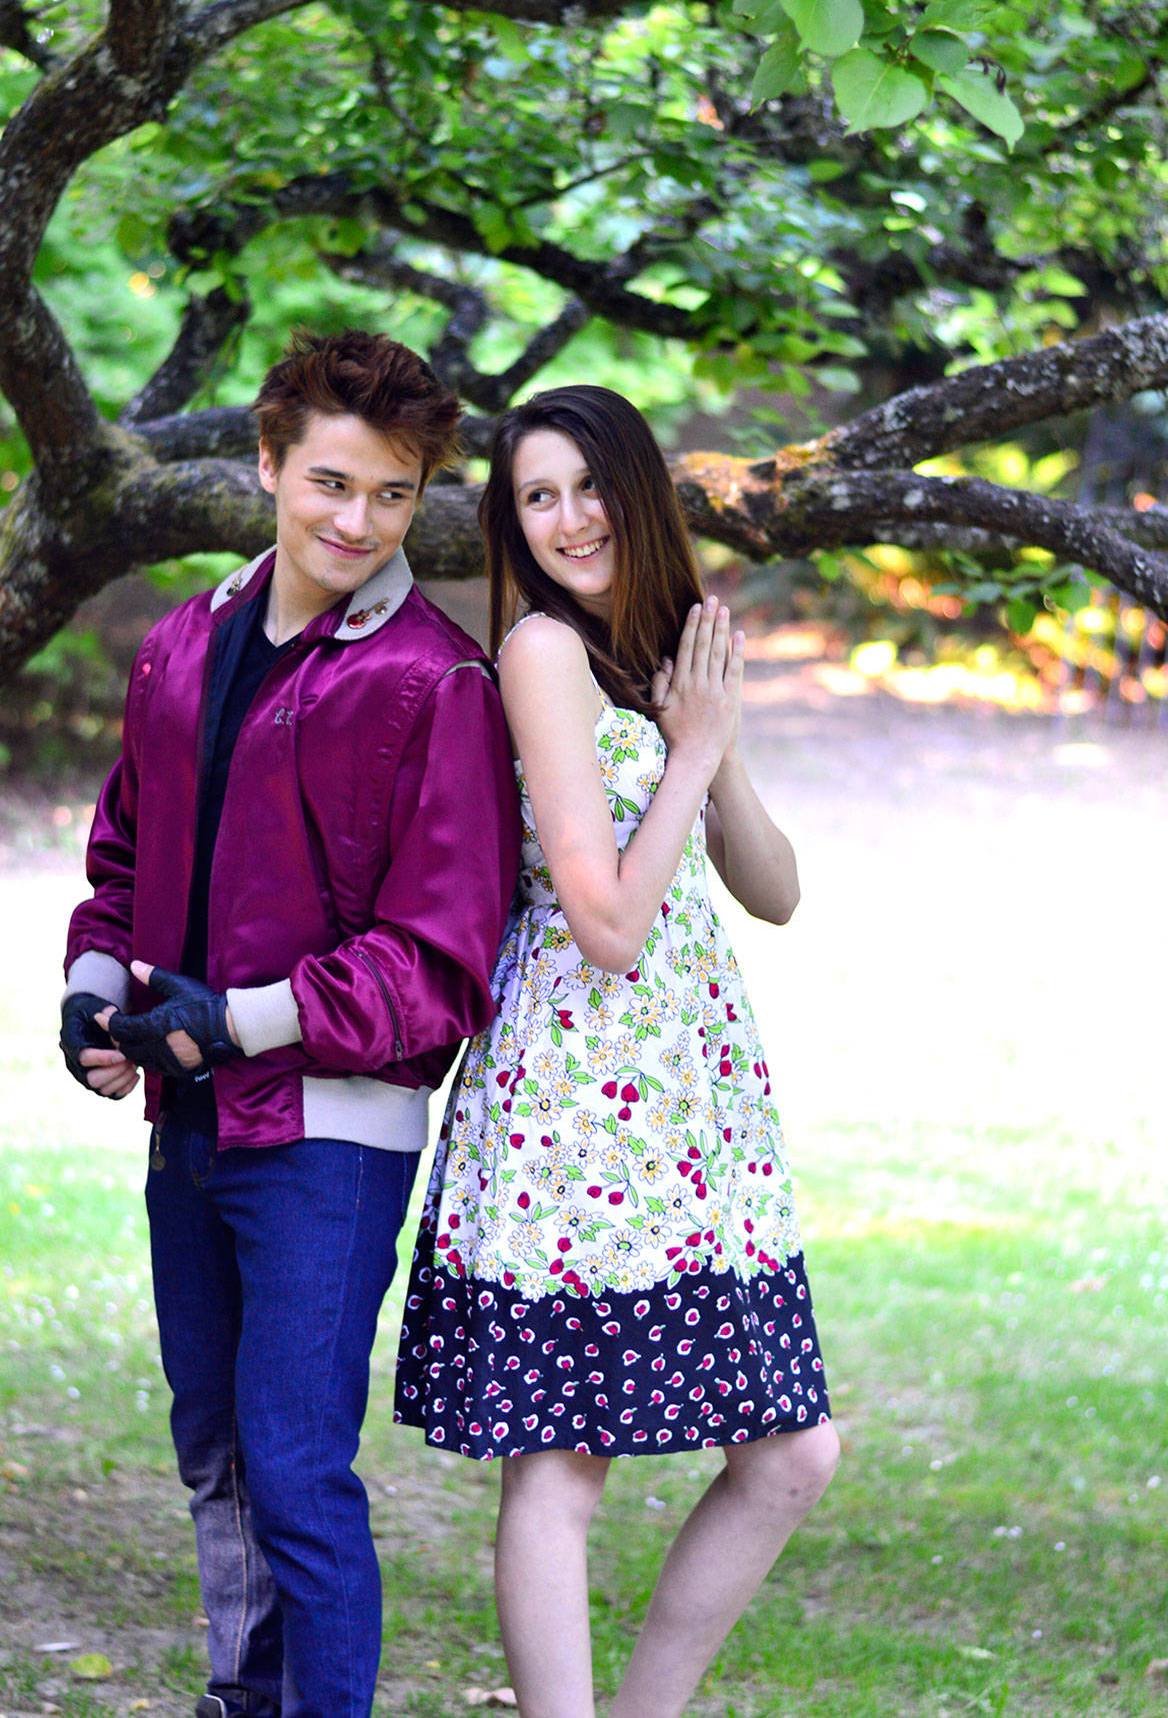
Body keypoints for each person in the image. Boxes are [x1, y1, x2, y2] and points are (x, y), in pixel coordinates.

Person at [58, 329, 521, 1718]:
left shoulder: (436, 684)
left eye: (392, 495)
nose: (356, 521)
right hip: (185, 1114)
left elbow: (440, 962)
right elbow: (123, 867)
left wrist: (236, 1022)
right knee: (215, 1447)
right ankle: (237, 1697)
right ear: (265, 464)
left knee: (298, 1467)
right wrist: (95, 995)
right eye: (329, 481)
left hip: (328, 1133)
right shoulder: (180, 644)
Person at [395, 385, 838, 1718]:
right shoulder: (539, 651)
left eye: (590, 486)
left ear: (635, 492)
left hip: (687, 1116)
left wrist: (718, 742)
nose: (571, 517)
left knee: (792, 1450)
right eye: (539, 496)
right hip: (579, 1109)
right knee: (563, 1463)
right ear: (514, 524)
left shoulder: (654, 648)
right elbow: (602, 919)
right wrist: (692, 749)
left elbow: (774, 888)